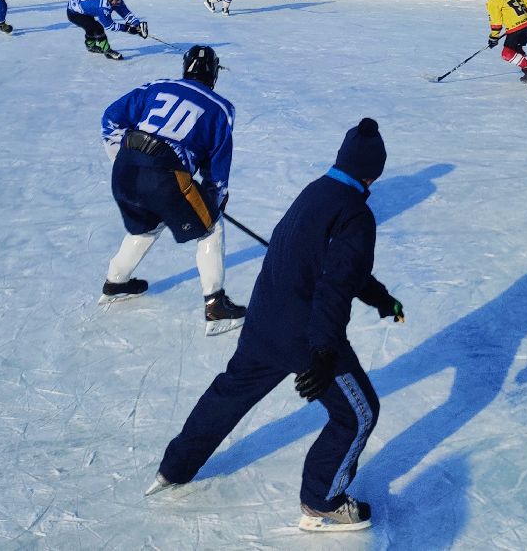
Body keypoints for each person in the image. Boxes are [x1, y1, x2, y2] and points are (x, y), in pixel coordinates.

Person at [147, 118, 404, 532]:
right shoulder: (356, 214)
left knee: (229, 393)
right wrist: (322, 354)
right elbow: (334, 287)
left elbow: (336, 270)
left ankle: (174, 467)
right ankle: (323, 500)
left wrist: (380, 298)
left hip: (265, 320)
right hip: (307, 333)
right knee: (358, 414)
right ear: (374, 171)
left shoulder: (316, 192)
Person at [100, 45, 247, 335]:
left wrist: (123, 159)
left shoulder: (158, 85)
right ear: (214, 74)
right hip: (165, 175)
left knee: (146, 226)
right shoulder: (221, 108)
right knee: (211, 228)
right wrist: (216, 200)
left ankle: (115, 282)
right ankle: (216, 307)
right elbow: (217, 167)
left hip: (126, 169)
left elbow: (110, 117)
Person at [66, 0, 148, 60]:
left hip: (81, 7)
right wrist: (128, 28)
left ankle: (90, 46)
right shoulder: (103, 8)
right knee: (97, 28)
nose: (119, 1)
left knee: (90, 27)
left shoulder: (115, 0)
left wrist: (137, 24)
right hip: (74, 13)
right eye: (117, 0)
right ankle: (107, 51)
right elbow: (110, 26)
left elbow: (125, 13)